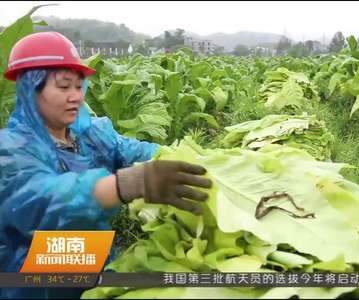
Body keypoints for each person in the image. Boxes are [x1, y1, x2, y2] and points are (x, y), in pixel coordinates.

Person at [0, 32, 212, 299]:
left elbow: (134, 150)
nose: (75, 96)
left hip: (92, 260)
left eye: (79, 86)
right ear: (31, 89)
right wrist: (128, 184)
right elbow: (44, 201)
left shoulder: (90, 134)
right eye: (64, 87)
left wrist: (204, 160)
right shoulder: (11, 149)